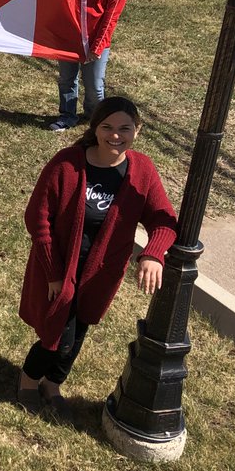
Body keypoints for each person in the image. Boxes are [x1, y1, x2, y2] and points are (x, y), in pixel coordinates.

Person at [17, 96, 176, 421]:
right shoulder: (68, 164)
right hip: (61, 268)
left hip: (101, 273)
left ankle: (53, 384)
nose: (115, 135)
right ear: (95, 129)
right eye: (107, 127)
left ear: (138, 131)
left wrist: (153, 254)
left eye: (124, 128)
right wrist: (53, 273)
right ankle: (29, 382)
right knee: (57, 335)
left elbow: (163, 218)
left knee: (79, 330)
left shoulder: (141, 170)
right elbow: (38, 218)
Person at [50, 0, 133, 131]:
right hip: (69, 30)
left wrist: (97, 45)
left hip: (96, 36)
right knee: (66, 78)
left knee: (94, 86)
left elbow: (112, 14)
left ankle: (95, 119)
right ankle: (67, 115)